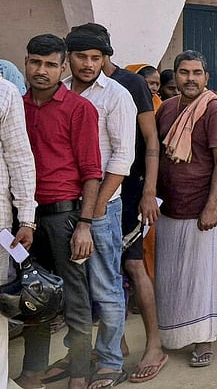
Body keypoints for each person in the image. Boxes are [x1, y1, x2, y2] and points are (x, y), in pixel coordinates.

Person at [89, 23, 164, 383]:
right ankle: (113, 343)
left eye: (94, 55)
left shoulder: (131, 84)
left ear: (106, 54)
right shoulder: (79, 87)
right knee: (101, 271)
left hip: (130, 189)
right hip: (93, 192)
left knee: (133, 267)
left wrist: (149, 190)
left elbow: (151, 142)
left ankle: (154, 344)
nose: (88, 62)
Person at [63, 24, 137, 387]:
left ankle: (110, 361)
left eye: (96, 58)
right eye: (81, 57)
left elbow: (122, 159)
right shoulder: (57, 92)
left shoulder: (116, 95)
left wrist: (92, 212)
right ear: (68, 57)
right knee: (71, 287)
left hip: (103, 207)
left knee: (105, 285)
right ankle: (75, 355)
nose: (89, 64)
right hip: (62, 206)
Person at [155, 50, 217, 368]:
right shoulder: (168, 108)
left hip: (202, 210)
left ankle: (204, 341)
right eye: (184, 73)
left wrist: (211, 206)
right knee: (170, 278)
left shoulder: (214, 110)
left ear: (206, 78)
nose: (190, 79)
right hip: (169, 207)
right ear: (175, 77)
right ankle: (173, 336)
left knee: (201, 279)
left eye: (197, 73)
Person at [14, 36, 76, 389]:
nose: (42, 71)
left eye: (50, 64)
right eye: (36, 62)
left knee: (76, 300)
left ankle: (80, 370)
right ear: (26, 62)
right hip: (21, 219)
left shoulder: (77, 109)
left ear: (61, 68)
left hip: (63, 216)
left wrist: (83, 224)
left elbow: (92, 171)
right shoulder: (14, 105)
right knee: (31, 295)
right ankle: (33, 372)